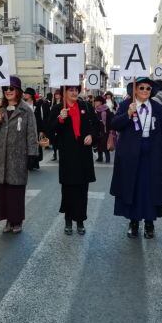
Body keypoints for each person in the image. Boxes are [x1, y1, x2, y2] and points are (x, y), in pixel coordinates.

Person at [110, 77, 162, 239]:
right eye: (141, 88)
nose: (145, 91)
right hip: (130, 155)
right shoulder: (126, 104)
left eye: (148, 89)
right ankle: (134, 222)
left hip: (152, 155)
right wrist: (128, 114)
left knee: (150, 189)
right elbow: (114, 124)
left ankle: (149, 223)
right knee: (133, 188)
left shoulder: (156, 106)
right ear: (135, 90)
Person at [0, 76, 38, 234]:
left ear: (18, 90)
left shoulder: (26, 111)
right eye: (5, 89)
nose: (8, 91)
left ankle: (17, 221)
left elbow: (32, 134)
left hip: (18, 158)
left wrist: (32, 155)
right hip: (1, 159)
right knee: (3, 192)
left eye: (11, 88)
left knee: (16, 192)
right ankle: (8, 221)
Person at [48, 85, 99, 235]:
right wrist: (60, 120)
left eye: (76, 90)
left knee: (83, 189)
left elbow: (96, 125)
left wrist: (92, 136)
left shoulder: (86, 107)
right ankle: (68, 220)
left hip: (83, 154)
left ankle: (80, 220)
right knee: (68, 189)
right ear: (64, 93)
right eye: (71, 90)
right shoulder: (57, 109)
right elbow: (50, 130)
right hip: (68, 154)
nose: (74, 92)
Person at [93, 95, 114, 163]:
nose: (96, 102)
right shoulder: (95, 110)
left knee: (105, 143)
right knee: (98, 143)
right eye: (95, 101)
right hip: (97, 129)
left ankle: (107, 158)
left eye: (97, 101)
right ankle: (100, 157)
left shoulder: (106, 109)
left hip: (105, 129)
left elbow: (110, 120)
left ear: (101, 102)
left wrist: (110, 129)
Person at [51, 89, 63, 161]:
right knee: (54, 141)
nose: (56, 96)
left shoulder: (62, 103)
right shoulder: (53, 103)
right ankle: (54, 154)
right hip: (54, 122)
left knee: (59, 141)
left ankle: (60, 154)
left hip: (60, 122)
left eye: (58, 94)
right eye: (55, 94)